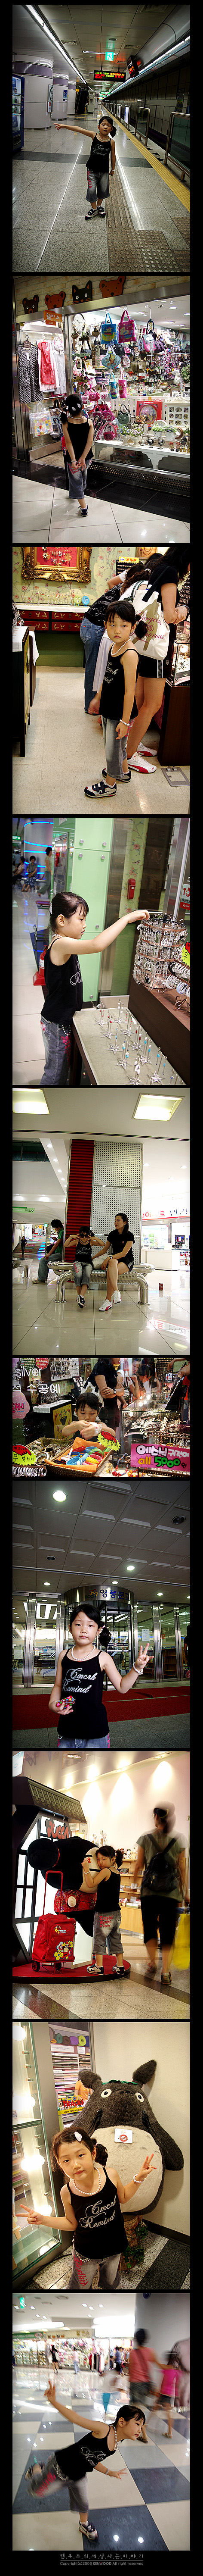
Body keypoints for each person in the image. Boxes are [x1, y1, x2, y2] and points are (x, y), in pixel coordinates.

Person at [40, 888, 149, 1090]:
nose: (85, 925)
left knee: (62, 1069)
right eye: (81, 919)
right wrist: (127, 919)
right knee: (55, 1073)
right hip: (57, 1022)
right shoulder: (61, 944)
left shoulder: (66, 943)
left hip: (63, 1018)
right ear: (62, 921)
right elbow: (97, 945)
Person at [25, 2129, 157, 2289]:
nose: (75, 2165)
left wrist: (140, 2177)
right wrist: (44, 2220)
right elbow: (72, 2223)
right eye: (66, 2160)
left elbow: (123, 2197)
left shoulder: (111, 2175)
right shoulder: (67, 2192)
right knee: (81, 2287)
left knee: (110, 2282)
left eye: (81, 2155)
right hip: (85, 2254)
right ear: (60, 2164)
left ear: (93, 2153)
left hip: (114, 2247)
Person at [25, 2388, 147, 2536]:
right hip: (60, 2468)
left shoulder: (116, 2444)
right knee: (36, 2492)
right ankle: (39, 2469)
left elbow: (93, 2460)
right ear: (122, 2422)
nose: (140, 2430)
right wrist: (54, 2402)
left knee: (84, 2504)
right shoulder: (104, 2430)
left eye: (142, 2426)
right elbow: (76, 2418)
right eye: (137, 2424)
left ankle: (84, 2524)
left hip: (79, 2476)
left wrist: (109, 2472)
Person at [49, 1597, 150, 1749]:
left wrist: (137, 1667)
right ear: (70, 1628)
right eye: (78, 1624)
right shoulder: (64, 1655)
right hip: (67, 1729)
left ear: (98, 1631)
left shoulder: (103, 1658)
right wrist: (53, 1704)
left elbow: (122, 1687)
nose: (84, 1630)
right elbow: (58, 1686)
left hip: (96, 1731)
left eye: (90, 1625)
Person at [84, 602, 139, 796]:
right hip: (109, 707)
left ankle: (110, 785)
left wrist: (125, 721)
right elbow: (107, 676)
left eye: (124, 626)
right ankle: (124, 772)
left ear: (133, 627)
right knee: (117, 746)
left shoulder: (130, 654)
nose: (117, 630)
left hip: (120, 712)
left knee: (112, 750)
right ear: (105, 625)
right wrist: (98, 697)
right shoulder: (114, 646)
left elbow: (130, 691)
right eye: (112, 625)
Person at [133, 1803, 187, 1988]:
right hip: (171, 1894)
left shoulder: (145, 1838)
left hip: (149, 1893)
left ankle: (152, 1963)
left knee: (150, 1928)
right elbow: (182, 1867)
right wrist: (185, 1892)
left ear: (156, 1818)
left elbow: (139, 1864)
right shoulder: (179, 1840)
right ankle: (165, 1972)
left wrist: (135, 1881)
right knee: (168, 1931)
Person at [58, 394, 94, 516]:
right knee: (82, 478)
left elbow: (68, 443)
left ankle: (84, 508)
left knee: (76, 481)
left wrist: (74, 460)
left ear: (68, 409)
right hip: (86, 458)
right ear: (83, 407)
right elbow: (90, 442)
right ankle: (80, 496)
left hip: (72, 460)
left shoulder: (66, 423)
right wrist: (83, 458)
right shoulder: (89, 422)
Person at [98, 1211, 135, 1314]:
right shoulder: (113, 1234)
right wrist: (92, 1258)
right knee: (112, 1263)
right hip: (115, 1259)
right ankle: (116, 1292)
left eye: (118, 1221)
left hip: (127, 1260)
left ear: (125, 1222)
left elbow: (124, 1254)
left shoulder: (130, 1235)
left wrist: (109, 1258)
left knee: (111, 1271)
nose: (116, 1223)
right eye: (115, 1221)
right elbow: (104, 1250)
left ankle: (108, 1301)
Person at [128, 2329, 163, 2409]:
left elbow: (131, 2371)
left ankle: (138, 2417)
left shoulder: (133, 2353)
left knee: (135, 2408)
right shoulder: (151, 2352)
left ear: (136, 2339)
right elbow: (160, 2366)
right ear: (146, 2339)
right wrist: (173, 2367)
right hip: (146, 2384)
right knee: (144, 2406)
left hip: (135, 2383)